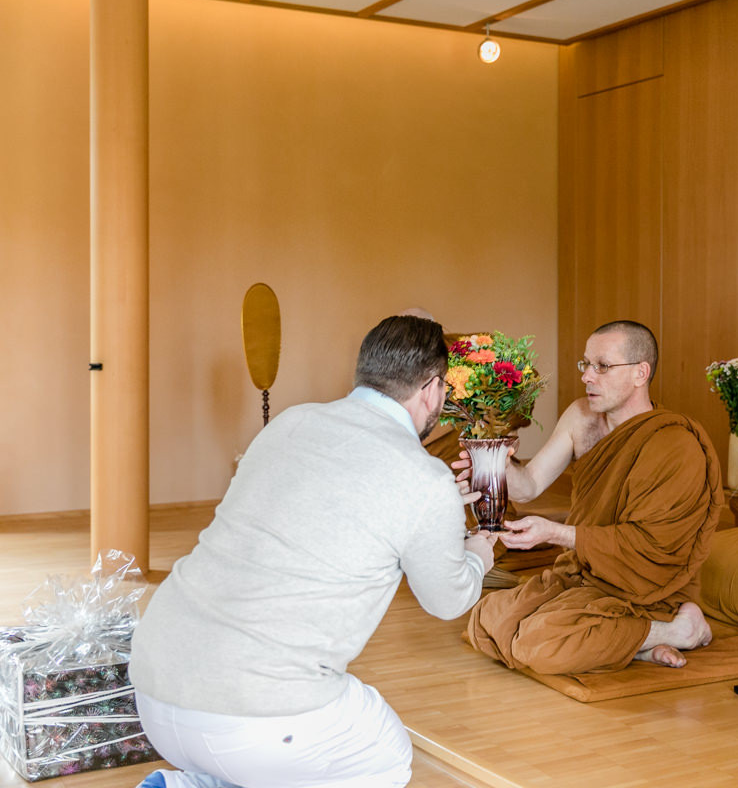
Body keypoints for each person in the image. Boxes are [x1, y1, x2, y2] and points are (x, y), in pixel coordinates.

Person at [129, 315, 498, 788]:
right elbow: (446, 600)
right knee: (384, 758)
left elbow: (322, 506)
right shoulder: (424, 477)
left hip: (154, 684)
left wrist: (439, 511)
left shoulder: (290, 421)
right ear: (432, 388)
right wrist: (477, 552)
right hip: (255, 717)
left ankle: (186, 784)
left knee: (269, 760)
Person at [462, 320, 722, 673]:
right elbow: (529, 485)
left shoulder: (673, 444)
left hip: (644, 587)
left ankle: (678, 629)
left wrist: (555, 533)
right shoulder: (581, 416)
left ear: (640, 373)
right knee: (486, 621)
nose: (587, 376)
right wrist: (490, 463)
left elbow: (651, 548)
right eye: (586, 364)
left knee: (542, 644)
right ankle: (640, 644)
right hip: (584, 572)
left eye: (602, 366)